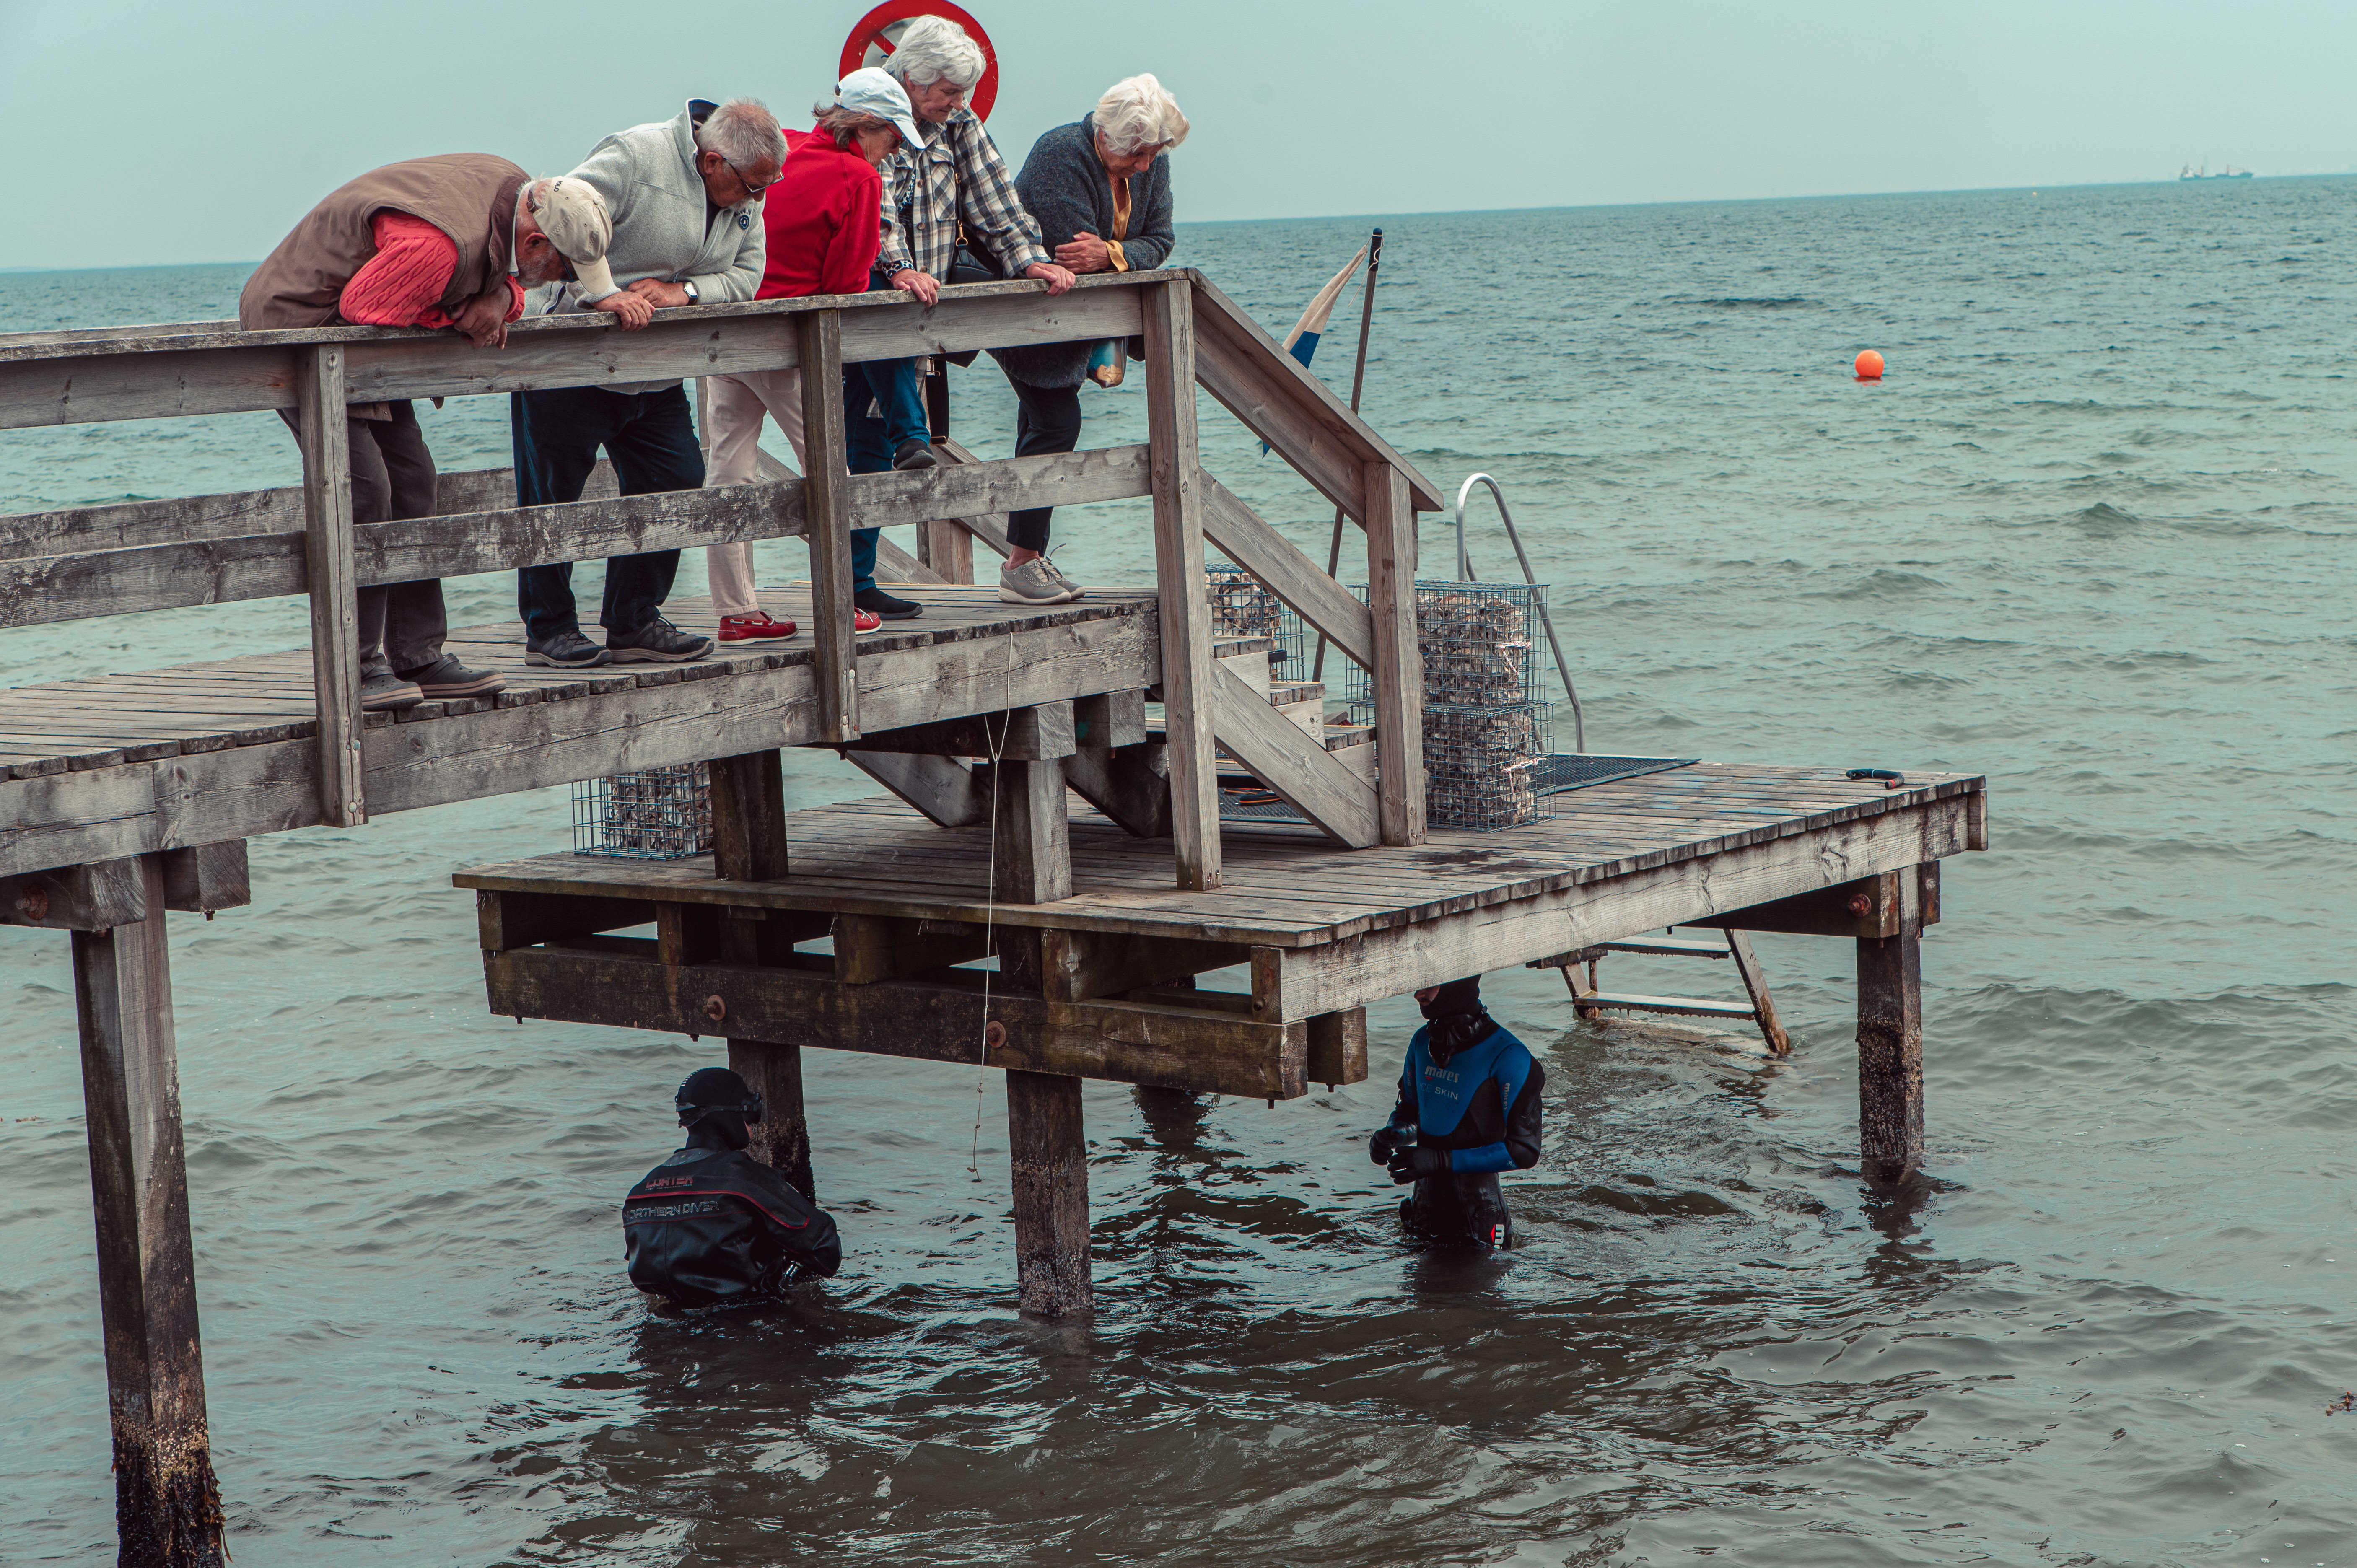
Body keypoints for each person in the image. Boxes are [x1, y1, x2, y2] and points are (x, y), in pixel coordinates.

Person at [239, 160, 610, 709]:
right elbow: (367, 306)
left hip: (363, 341)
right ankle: (357, 666)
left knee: (414, 483)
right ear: (535, 241)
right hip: (303, 328)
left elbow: (504, 282)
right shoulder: (440, 248)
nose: (563, 282)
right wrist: (462, 316)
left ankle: (419, 655)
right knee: (365, 493)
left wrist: (500, 300)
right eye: (563, 269)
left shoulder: (519, 192)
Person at [511, 98, 784, 669]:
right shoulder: (637, 155)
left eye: (763, 188)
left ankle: (633, 619)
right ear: (712, 162)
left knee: (676, 479)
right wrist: (606, 293)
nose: (757, 199)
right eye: (752, 187)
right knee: (551, 496)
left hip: (655, 371)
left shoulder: (744, 193)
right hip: (571, 360)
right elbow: (558, 221)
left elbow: (747, 276)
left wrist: (684, 294)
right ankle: (549, 629)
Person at [700, 69, 933, 640]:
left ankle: (736, 611)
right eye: (893, 139)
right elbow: (846, 283)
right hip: (788, 338)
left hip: (728, 326)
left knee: (728, 473)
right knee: (833, 472)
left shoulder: (784, 147)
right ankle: (840, 602)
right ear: (866, 128)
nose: (894, 151)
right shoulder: (858, 178)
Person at [873, 15, 1077, 618]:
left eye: (961, 92)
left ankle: (1023, 557)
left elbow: (996, 205)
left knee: (1054, 401)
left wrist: (1030, 261)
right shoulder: (872, 114)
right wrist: (896, 270)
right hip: (883, 299)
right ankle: (854, 583)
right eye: (947, 92)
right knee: (868, 440)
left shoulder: (958, 122)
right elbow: (875, 206)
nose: (957, 104)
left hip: (943, 283)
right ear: (910, 79)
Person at [990, 74, 1190, 608]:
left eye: (1154, 153)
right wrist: (1116, 253)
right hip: (1032, 314)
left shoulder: (1151, 157)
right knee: (1057, 423)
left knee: (1040, 425)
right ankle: (1021, 563)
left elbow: (1161, 240)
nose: (1148, 165)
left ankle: (1025, 559)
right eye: (1140, 154)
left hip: (1077, 320)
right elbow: (1066, 253)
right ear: (1108, 137)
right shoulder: (1061, 154)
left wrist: (1113, 254)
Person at [624, 1068, 841, 1306]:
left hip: (666, 1320)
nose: (753, 1125)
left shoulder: (640, 1191)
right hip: (743, 1318)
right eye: (750, 1114)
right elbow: (824, 1245)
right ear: (728, 1116)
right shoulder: (744, 1178)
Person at [1371, 975, 1543, 1252]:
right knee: (1418, 1296)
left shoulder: (1509, 1056)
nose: (1417, 994)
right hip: (1424, 1211)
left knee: (1474, 1296)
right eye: (1416, 983)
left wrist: (1439, 1160)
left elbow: (1523, 1151)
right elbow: (1411, 1112)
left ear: (1456, 984)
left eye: (1428, 983)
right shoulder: (1420, 1043)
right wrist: (1392, 1134)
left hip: (1481, 1221)